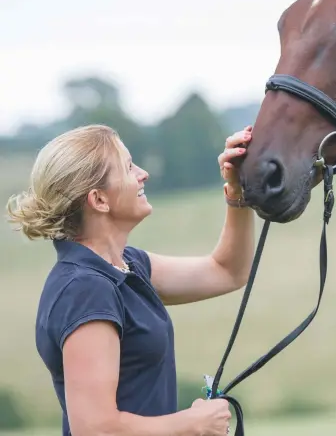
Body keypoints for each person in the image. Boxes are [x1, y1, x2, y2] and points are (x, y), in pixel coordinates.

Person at [6, 123, 255, 436]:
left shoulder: (128, 266)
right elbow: (95, 429)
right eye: (127, 167)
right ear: (98, 200)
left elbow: (227, 271)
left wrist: (239, 190)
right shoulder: (85, 289)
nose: (143, 173)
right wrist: (193, 424)